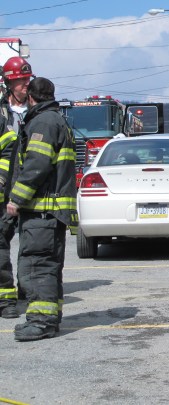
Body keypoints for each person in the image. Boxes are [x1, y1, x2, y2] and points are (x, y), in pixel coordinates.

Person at [7, 77, 78, 342]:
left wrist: (16, 199)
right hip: (50, 212)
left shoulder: (43, 122)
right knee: (48, 266)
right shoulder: (55, 119)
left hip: (41, 211)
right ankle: (49, 319)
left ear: (30, 96)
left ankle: (40, 322)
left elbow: (36, 165)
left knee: (37, 266)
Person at [0, 56, 33, 319]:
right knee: (1, 243)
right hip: (5, 192)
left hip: (33, 190)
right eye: (20, 81)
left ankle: (28, 291)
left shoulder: (40, 110)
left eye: (27, 79)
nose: (25, 85)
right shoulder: (2, 114)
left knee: (31, 246)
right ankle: (5, 299)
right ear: (9, 84)